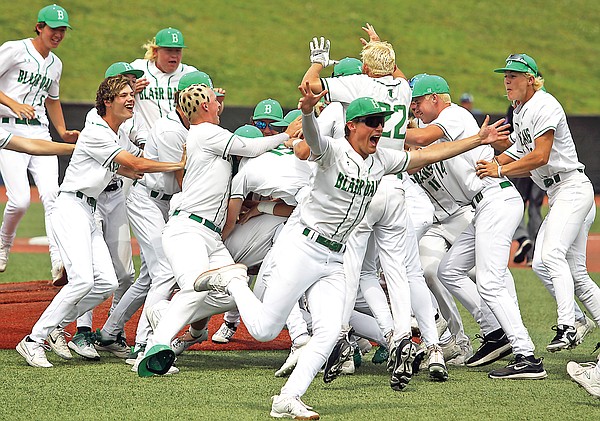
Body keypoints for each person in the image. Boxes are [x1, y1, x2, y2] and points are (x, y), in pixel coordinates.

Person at [191, 85, 511, 419]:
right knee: (264, 330)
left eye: (381, 121)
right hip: (303, 247)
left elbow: (424, 155)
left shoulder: (381, 158)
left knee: (330, 331)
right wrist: (306, 111)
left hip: (334, 259)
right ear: (351, 126)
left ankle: (288, 397)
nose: (379, 128)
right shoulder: (332, 151)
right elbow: (312, 138)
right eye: (371, 121)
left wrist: (477, 140)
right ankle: (233, 283)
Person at [15, 75, 186, 368]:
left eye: (132, 94)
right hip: (70, 206)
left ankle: (56, 325)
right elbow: (135, 164)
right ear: (107, 102)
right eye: (124, 95)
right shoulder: (97, 131)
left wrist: (136, 169)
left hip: (88, 209)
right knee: (82, 279)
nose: (131, 99)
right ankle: (34, 340)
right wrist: (178, 164)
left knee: (107, 281)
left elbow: (128, 169)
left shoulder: (114, 131)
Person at [134, 83, 298, 375]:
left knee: (232, 291)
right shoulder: (206, 132)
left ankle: (163, 314)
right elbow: (252, 145)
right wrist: (288, 134)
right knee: (196, 287)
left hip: (209, 235)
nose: (219, 105)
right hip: (189, 228)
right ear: (205, 107)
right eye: (214, 100)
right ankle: (153, 348)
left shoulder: (202, 135)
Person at [408, 74, 547, 380]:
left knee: (489, 282)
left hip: (496, 199)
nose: (414, 108)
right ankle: (494, 333)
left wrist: (382, 132)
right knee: (449, 271)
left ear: (435, 98)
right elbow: (417, 154)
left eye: (417, 102)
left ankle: (526, 355)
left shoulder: (452, 114)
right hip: (482, 205)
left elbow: (418, 140)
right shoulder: (442, 126)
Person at [476, 53, 600, 352]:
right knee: (559, 269)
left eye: (514, 75)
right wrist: (485, 163)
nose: (507, 80)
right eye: (505, 75)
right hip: (561, 193)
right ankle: (580, 319)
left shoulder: (545, 105)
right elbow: (517, 152)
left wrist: (499, 169)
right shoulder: (520, 110)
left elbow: (540, 156)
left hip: (572, 187)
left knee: (549, 258)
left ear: (531, 79)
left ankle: (569, 325)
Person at [0, 4, 79, 280]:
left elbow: (52, 100)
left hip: (40, 132)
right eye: (53, 29)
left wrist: (63, 131)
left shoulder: (55, 64)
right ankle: (3, 245)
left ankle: (58, 263)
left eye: (62, 31)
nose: (58, 35)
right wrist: (12, 103)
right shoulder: (14, 49)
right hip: (9, 132)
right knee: (20, 200)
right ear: (39, 27)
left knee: (52, 196)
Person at [130, 27, 198, 129]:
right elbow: (111, 98)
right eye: (169, 50)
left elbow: (211, 110)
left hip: (180, 140)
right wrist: (129, 91)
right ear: (156, 51)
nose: (174, 55)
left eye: (178, 51)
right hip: (145, 141)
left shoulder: (191, 74)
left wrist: (219, 101)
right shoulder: (137, 69)